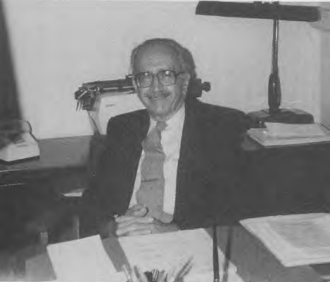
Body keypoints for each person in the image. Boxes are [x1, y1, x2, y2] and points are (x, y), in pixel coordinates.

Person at [80, 38, 251, 238]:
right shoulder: (122, 127)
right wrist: (114, 226)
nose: (155, 86)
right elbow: (92, 202)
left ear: (185, 82)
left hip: (189, 242)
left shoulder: (220, 126)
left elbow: (236, 208)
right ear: (135, 85)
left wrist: (175, 230)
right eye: (145, 76)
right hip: (125, 241)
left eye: (166, 75)